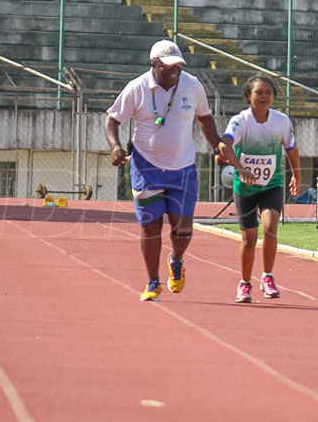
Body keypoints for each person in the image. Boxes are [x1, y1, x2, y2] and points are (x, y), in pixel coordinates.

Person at [104, 39, 231, 302]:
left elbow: (204, 117)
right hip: (145, 166)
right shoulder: (137, 88)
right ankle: (152, 282)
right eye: (170, 67)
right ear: (155, 65)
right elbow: (112, 120)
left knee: (182, 228)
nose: (175, 71)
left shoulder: (192, 85)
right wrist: (115, 147)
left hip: (182, 167)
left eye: (178, 67)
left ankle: (176, 259)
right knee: (151, 227)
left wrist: (216, 146)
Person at [218, 74, 300, 303]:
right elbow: (224, 144)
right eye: (259, 93)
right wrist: (240, 169)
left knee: (270, 227)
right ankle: (245, 283)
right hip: (244, 188)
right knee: (249, 237)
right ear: (248, 96)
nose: (264, 97)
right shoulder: (240, 121)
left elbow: (291, 149)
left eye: (268, 93)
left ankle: (267, 276)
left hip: (271, 185)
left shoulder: (281, 121)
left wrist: (296, 175)